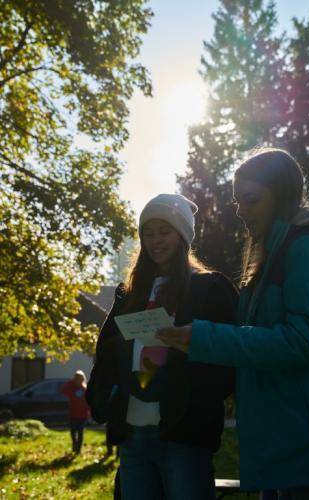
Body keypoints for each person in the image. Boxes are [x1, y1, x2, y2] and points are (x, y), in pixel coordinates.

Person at [156, 149, 309, 500]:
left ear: (282, 196)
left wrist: (206, 338)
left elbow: (305, 341)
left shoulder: (308, 248)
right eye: (237, 202)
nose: (240, 211)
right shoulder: (273, 253)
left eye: (250, 200)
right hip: (283, 448)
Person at [86, 193, 238, 500]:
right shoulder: (128, 294)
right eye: (148, 233)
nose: (156, 241)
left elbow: (229, 357)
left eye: (164, 231)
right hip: (133, 434)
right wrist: (105, 398)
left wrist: (185, 388)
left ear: (182, 235)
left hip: (184, 436)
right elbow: (106, 354)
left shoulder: (210, 288)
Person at [62, 370, 90, 454]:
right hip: (73, 414)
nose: (78, 380)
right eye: (77, 378)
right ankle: (74, 444)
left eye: (80, 379)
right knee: (73, 432)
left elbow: (88, 401)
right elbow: (63, 391)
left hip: (83, 415)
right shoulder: (71, 388)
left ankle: (78, 449)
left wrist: (89, 412)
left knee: (80, 433)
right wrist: (71, 382)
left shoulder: (85, 389)